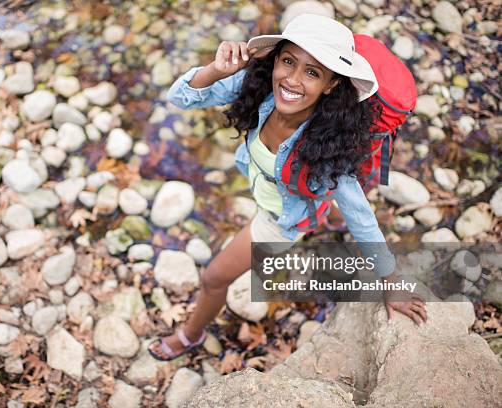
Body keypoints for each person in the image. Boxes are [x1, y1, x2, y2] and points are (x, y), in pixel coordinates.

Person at [148, 14, 427, 361]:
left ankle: (189, 334)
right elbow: (180, 97)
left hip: (280, 218)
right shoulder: (262, 88)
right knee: (313, 198)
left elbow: (360, 215)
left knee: (213, 278)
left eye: (312, 72)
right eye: (288, 61)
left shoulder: (329, 150)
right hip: (267, 185)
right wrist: (217, 70)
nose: (292, 80)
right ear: (275, 59)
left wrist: (389, 282)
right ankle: (322, 210)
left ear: (331, 85)